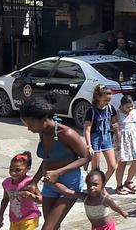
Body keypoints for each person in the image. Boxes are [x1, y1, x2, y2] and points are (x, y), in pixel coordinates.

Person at [21, 96, 87, 230]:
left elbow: (86, 157)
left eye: (31, 125)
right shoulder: (42, 132)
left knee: (48, 228)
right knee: (53, 226)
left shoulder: (67, 133)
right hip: (49, 183)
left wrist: (58, 172)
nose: (29, 129)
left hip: (69, 185)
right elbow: (47, 159)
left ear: (44, 119)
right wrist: (33, 182)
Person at [0, 151, 42, 230]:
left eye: (18, 170)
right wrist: (0, 216)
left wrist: (29, 195)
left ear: (28, 168)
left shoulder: (29, 182)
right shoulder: (6, 183)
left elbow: (41, 200)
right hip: (15, 218)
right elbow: (5, 199)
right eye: (11, 169)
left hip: (30, 217)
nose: (13, 173)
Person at [83, 85, 118, 183]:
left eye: (109, 100)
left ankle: (101, 186)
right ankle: (92, 186)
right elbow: (87, 130)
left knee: (112, 166)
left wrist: (117, 132)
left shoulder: (110, 108)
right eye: (105, 100)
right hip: (95, 139)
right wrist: (89, 146)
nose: (107, 102)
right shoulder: (91, 111)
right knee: (95, 169)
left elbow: (115, 123)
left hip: (107, 137)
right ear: (98, 97)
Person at [112, 95, 136, 195]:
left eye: (131, 106)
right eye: (127, 107)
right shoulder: (117, 114)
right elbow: (114, 127)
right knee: (122, 163)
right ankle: (119, 186)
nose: (130, 108)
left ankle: (128, 181)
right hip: (121, 140)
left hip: (134, 139)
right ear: (121, 105)